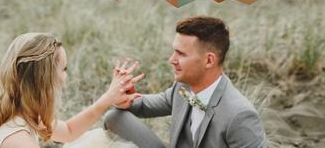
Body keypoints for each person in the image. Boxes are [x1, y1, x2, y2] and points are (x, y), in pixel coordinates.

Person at [104, 16, 266, 148]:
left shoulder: (240, 116)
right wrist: (126, 98)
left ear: (209, 60)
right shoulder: (183, 88)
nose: (171, 60)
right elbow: (146, 105)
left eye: (181, 54)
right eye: (174, 52)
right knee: (115, 117)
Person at [0, 32, 144, 148]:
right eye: (64, 69)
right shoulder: (19, 141)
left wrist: (108, 98)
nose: (66, 76)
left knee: (97, 139)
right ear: (45, 81)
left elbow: (68, 132)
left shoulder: (7, 108)